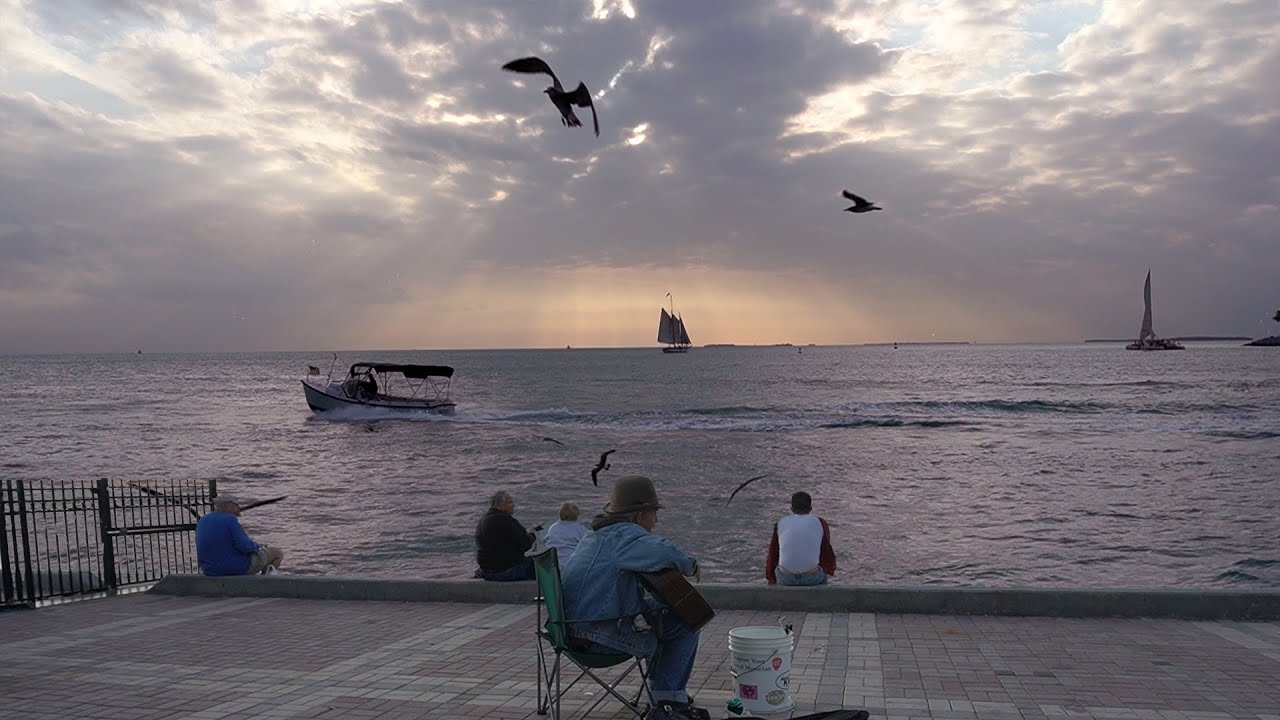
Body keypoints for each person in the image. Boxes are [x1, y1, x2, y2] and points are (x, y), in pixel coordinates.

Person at [561, 476, 708, 720]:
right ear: (640, 515)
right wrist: (691, 565)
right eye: (653, 513)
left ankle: (664, 691)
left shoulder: (596, 534)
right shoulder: (626, 537)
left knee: (663, 613)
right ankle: (667, 699)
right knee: (686, 621)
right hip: (597, 636)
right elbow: (663, 550)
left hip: (570, 629)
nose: (657, 520)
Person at [195, 495, 285, 576]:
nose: (238, 508)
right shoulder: (230, 519)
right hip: (232, 568)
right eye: (236, 505)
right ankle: (265, 583)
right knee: (276, 553)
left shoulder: (203, 521)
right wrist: (258, 547)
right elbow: (244, 546)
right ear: (226, 506)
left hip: (209, 569)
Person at [765, 491, 837, 586]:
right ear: (810, 508)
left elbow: (773, 553)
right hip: (811, 578)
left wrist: (771, 579)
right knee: (822, 575)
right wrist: (828, 569)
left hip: (786, 578)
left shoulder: (781, 522)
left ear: (792, 508)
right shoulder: (820, 522)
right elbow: (826, 550)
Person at [475, 490, 537, 581]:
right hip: (503, 572)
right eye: (510, 502)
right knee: (539, 563)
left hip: (486, 571)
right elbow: (526, 544)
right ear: (500, 504)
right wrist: (532, 534)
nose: (513, 505)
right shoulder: (505, 520)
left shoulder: (483, 520)